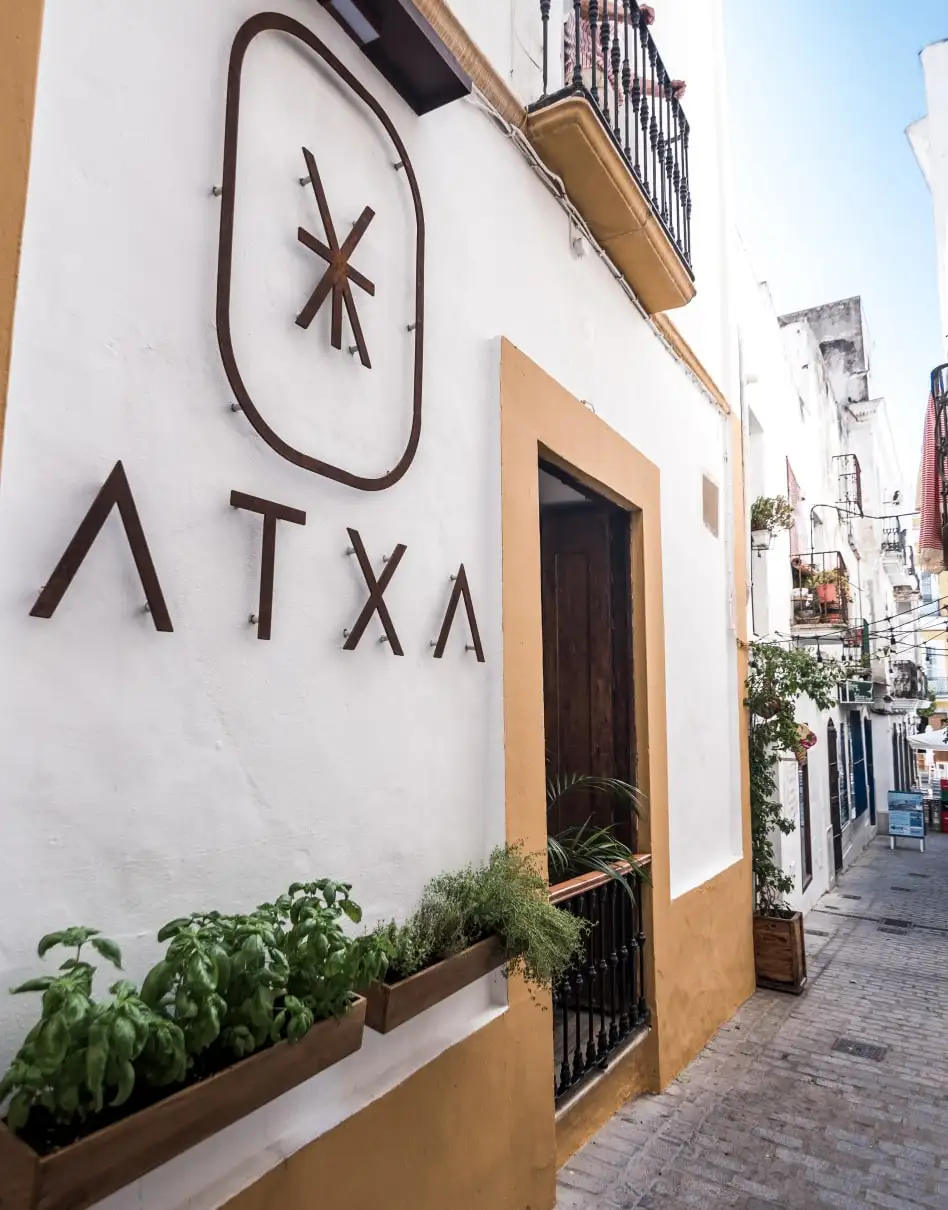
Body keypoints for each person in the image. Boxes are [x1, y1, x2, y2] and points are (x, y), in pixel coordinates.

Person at [563, 1, 686, 102]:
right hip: (585, 72)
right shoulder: (617, 11)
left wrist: (664, 89)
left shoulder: (619, 27)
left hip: (609, 90)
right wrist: (629, 14)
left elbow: (624, 76)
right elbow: (585, 5)